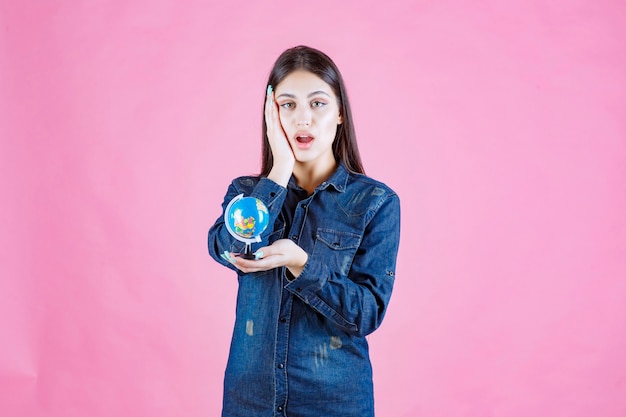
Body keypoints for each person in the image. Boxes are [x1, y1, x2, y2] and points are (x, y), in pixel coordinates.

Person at [208, 45, 401, 417]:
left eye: (317, 103)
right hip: (250, 401)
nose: (302, 120)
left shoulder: (375, 203)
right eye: (287, 104)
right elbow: (226, 247)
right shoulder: (248, 194)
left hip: (334, 403)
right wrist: (279, 170)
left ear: (340, 112)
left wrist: (302, 264)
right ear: (271, 114)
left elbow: (366, 313)